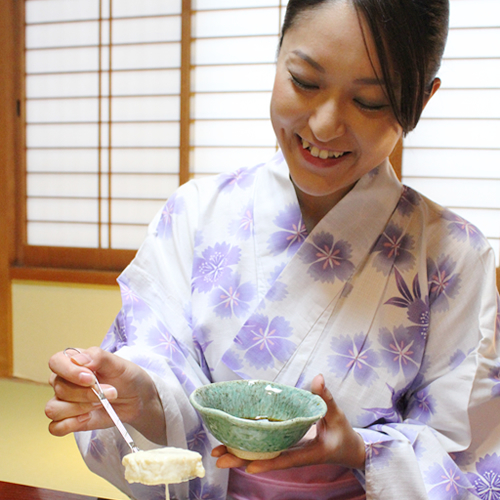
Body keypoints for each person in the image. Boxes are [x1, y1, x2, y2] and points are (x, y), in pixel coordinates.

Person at [45, 0, 500, 499]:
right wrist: (138, 395)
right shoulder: (196, 214)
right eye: (304, 81)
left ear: (422, 98)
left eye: (370, 101)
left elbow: (466, 459)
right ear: (279, 53)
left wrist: (358, 452)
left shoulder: (453, 256)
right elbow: (155, 371)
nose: (325, 127)